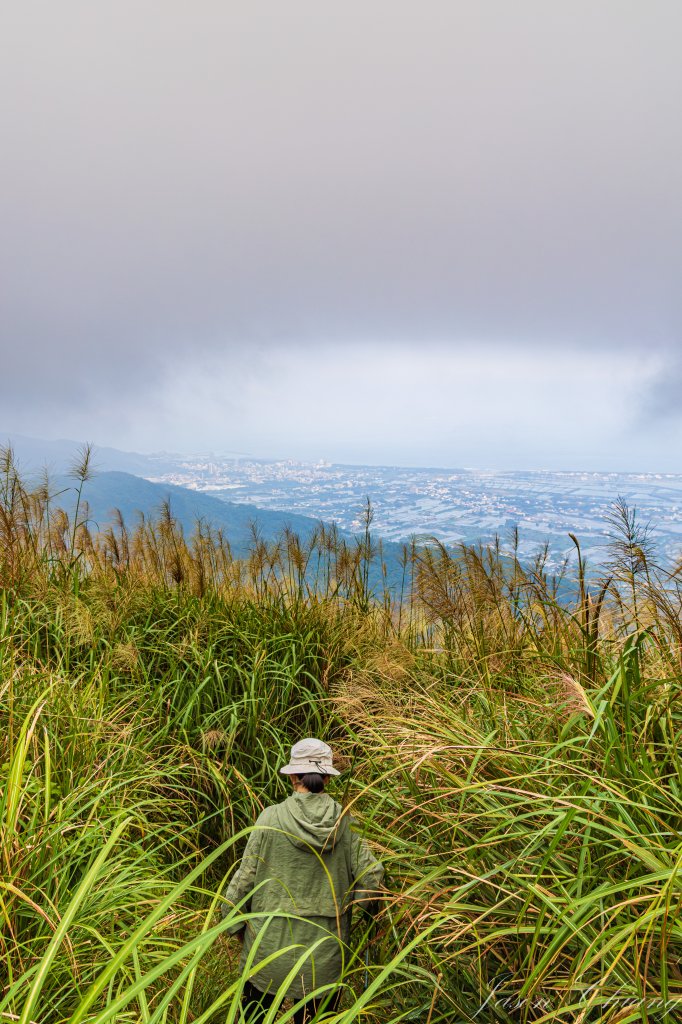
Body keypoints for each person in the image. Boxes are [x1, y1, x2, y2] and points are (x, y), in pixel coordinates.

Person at [222, 737, 384, 1023]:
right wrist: (357, 916)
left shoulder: (270, 818)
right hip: (323, 952)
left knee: (255, 1018)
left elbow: (245, 876)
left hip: (268, 947)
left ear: (294, 776)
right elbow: (371, 876)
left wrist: (234, 923)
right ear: (327, 779)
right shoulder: (346, 823)